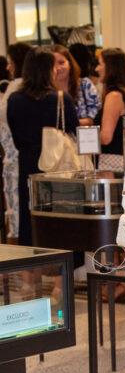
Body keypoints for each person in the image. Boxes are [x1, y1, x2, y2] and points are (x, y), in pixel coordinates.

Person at [7, 47, 77, 245]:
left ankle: (28, 273)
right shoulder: (61, 99)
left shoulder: (14, 100)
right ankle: (59, 273)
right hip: (57, 165)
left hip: (27, 162)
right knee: (60, 216)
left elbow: (16, 138)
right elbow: (74, 132)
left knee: (29, 217)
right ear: (49, 70)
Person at [0, 42, 32, 241]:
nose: (8, 66)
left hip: (14, 154)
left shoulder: (16, 88)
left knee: (17, 203)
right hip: (14, 153)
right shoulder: (20, 87)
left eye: (11, 62)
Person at [95, 48, 125, 171]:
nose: (97, 69)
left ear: (111, 68)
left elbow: (106, 137)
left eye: (100, 64)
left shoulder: (114, 96)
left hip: (111, 164)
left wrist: (86, 139)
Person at [51, 44, 99, 125]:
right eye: (52, 64)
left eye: (61, 63)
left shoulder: (85, 85)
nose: (57, 68)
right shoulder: (44, 90)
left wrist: (65, 124)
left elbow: (95, 119)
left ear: (70, 64)